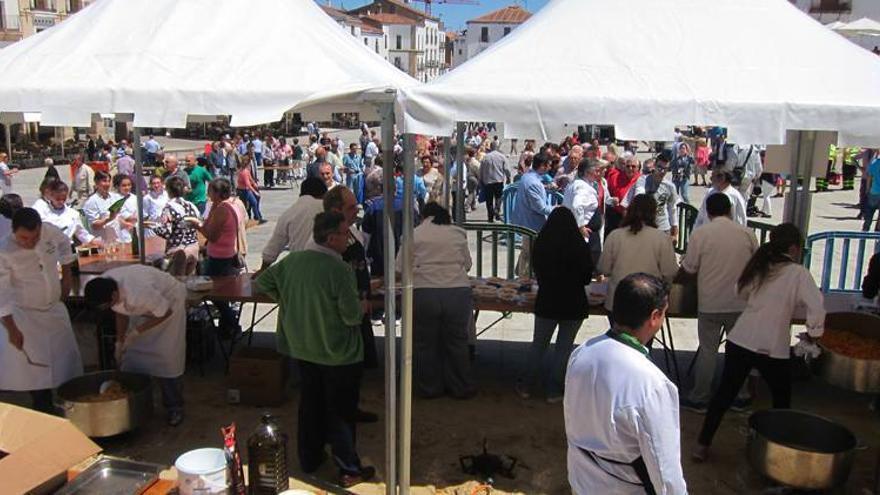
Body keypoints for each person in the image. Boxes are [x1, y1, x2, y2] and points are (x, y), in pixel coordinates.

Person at [255, 212, 375, 487]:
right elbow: (350, 316)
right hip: (338, 351)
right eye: (346, 233)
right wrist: (361, 307)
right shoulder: (340, 270)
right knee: (341, 411)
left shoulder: (292, 261)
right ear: (332, 238)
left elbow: (262, 283)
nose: (349, 238)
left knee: (310, 406)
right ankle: (348, 468)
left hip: (301, 347)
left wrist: (289, 299)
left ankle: (310, 458)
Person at [694, 224, 825, 462]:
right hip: (772, 346)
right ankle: (777, 455)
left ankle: (702, 445)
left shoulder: (761, 265)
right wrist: (813, 335)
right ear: (794, 248)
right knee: (781, 402)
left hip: (740, 339)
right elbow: (817, 307)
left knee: (724, 394)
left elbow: (739, 291)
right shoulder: (798, 273)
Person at [564, 273, 687, 494]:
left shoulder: (583, 352)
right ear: (655, 316)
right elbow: (665, 469)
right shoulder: (653, 384)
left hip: (583, 480)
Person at [677, 193, 758, 413]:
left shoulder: (701, 235)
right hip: (740, 302)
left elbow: (690, 268)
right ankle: (739, 396)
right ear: (730, 210)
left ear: (708, 211)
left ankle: (700, 397)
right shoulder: (747, 233)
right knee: (739, 352)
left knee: (708, 351)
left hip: (710, 302)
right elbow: (756, 266)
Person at [0, 208, 83, 413]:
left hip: (54, 309)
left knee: (65, 361)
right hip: (25, 315)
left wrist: (67, 277)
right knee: (36, 370)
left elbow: (65, 244)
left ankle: (71, 403)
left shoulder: (49, 231)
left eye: (34, 237)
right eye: (24, 238)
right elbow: (1, 294)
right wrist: (11, 329)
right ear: (13, 231)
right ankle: (43, 407)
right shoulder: (3, 251)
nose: (30, 242)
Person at [84, 265, 188, 426]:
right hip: (144, 309)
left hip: (169, 303)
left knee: (167, 360)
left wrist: (135, 333)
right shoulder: (106, 285)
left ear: (113, 295)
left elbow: (164, 312)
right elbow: (120, 312)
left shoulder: (138, 290)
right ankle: (137, 405)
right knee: (133, 357)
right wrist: (120, 341)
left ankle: (174, 407)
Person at [399, 202, 475, 399]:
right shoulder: (458, 233)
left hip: (425, 291)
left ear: (424, 216)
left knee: (426, 344)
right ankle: (461, 387)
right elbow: (467, 264)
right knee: (457, 342)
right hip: (457, 291)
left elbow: (399, 267)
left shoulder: (414, 234)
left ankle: (430, 388)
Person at [518, 207, 593, 403]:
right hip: (574, 303)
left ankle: (526, 386)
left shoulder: (542, 243)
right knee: (563, 348)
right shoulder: (579, 245)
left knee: (538, 345)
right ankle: (553, 389)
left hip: (547, 301)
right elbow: (587, 276)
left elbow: (538, 272)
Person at [599, 194, 678, 325]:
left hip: (618, 300)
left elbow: (604, 268)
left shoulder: (615, 235)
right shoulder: (661, 238)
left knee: (619, 342)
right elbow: (670, 271)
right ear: (653, 213)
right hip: (649, 300)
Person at [324, 187, 378, 374]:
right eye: (351, 207)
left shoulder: (353, 232)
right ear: (335, 211)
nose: (357, 210)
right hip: (341, 313)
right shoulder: (328, 238)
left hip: (358, 308)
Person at [197, 178, 243, 335]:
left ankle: (233, 323)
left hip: (219, 257)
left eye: (210, 190)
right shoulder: (227, 205)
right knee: (221, 293)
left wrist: (196, 225)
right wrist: (212, 208)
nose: (207, 193)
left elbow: (212, 235)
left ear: (216, 192)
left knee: (212, 292)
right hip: (227, 254)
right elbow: (210, 224)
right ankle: (227, 327)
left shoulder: (223, 210)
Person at [258, 178, 328, 273]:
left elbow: (272, 249)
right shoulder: (328, 208)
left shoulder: (289, 213)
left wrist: (262, 270)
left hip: (299, 269)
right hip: (327, 268)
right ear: (323, 194)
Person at [511, 152, 555, 276]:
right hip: (532, 224)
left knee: (527, 251)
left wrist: (546, 187)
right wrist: (556, 209)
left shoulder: (527, 177)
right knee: (529, 253)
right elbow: (540, 207)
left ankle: (520, 273)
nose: (550, 168)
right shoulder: (533, 183)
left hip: (527, 222)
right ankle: (523, 278)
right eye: (549, 165)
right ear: (542, 166)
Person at [563, 158, 610, 269]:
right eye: (596, 171)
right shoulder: (582, 187)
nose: (599, 174)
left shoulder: (580, 184)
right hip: (583, 233)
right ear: (587, 172)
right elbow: (577, 205)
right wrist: (581, 226)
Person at [623, 152, 680, 239]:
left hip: (663, 228)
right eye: (660, 167)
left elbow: (672, 208)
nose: (662, 171)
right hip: (644, 227)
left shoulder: (670, 186)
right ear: (654, 165)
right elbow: (637, 196)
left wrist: (675, 229)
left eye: (665, 168)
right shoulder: (642, 180)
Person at [153, 176, 201, 276]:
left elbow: (166, 232)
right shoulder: (191, 206)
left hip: (178, 250)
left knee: (177, 283)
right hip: (194, 248)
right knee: (189, 283)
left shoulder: (169, 208)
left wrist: (153, 227)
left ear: (168, 191)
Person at [33, 180, 96, 246]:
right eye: (58, 199)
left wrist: (96, 242)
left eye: (64, 199)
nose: (61, 202)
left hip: (67, 249)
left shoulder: (73, 214)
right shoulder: (42, 212)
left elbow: (82, 234)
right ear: (50, 195)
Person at [82, 170, 121, 238]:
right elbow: (94, 225)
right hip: (102, 241)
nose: (107, 184)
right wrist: (109, 218)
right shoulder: (91, 202)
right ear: (97, 183)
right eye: (104, 181)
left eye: (109, 181)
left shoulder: (115, 197)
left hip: (116, 239)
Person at [479, 140, 510, 222]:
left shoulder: (485, 157)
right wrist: (508, 178)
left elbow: (481, 170)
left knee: (489, 200)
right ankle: (497, 211)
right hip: (498, 181)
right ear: (497, 147)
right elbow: (506, 169)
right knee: (499, 197)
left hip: (488, 182)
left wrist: (481, 180)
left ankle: (490, 217)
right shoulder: (502, 156)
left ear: (491, 147)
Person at [235, 156, 265, 223]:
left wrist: (254, 184)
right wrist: (255, 191)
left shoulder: (246, 171)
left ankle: (256, 217)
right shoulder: (244, 172)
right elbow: (247, 184)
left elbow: (250, 179)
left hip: (246, 190)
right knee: (248, 204)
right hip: (243, 191)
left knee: (252, 203)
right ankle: (254, 218)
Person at [862, 152, 880, 232]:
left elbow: (869, 177)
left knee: (869, 213)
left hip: (874, 192)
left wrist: (867, 189)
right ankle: (877, 236)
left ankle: (865, 232)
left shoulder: (875, 163)